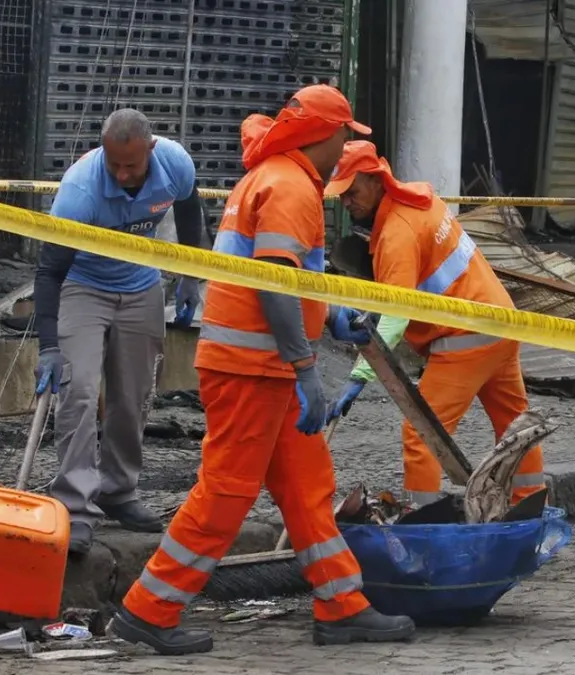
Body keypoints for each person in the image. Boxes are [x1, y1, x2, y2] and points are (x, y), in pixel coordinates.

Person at [110, 85, 417, 655]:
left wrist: (329, 317)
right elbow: (275, 285)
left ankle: (342, 605)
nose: (349, 144)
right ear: (325, 134)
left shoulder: (272, 176)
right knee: (226, 492)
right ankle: (146, 612)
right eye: (347, 133)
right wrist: (306, 368)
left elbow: (289, 282)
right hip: (253, 365)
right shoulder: (290, 187)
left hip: (254, 362)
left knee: (305, 486)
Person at [323, 141, 546, 508]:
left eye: (352, 191)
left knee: (421, 434)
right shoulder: (420, 201)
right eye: (341, 195)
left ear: (377, 180)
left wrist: (357, 377)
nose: (346, 202)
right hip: (501, 322)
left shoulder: (397, 233)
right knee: (514, 427)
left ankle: (422, 522)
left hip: (465, 337)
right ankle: (531, 506)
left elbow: (397, 314)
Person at [33, 108, 205, 556]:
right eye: (115, 165)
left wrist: (192, 274)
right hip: (82, 287)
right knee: (80, 392)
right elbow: (50, 271)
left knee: (134, 396)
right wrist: (49, 347)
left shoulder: (175, 164)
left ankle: (118, 490)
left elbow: (190, 209)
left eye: (132, 164)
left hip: (141, 285)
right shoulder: (80, 189)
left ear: (150, 149)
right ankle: (74, 505)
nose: (124, 174)